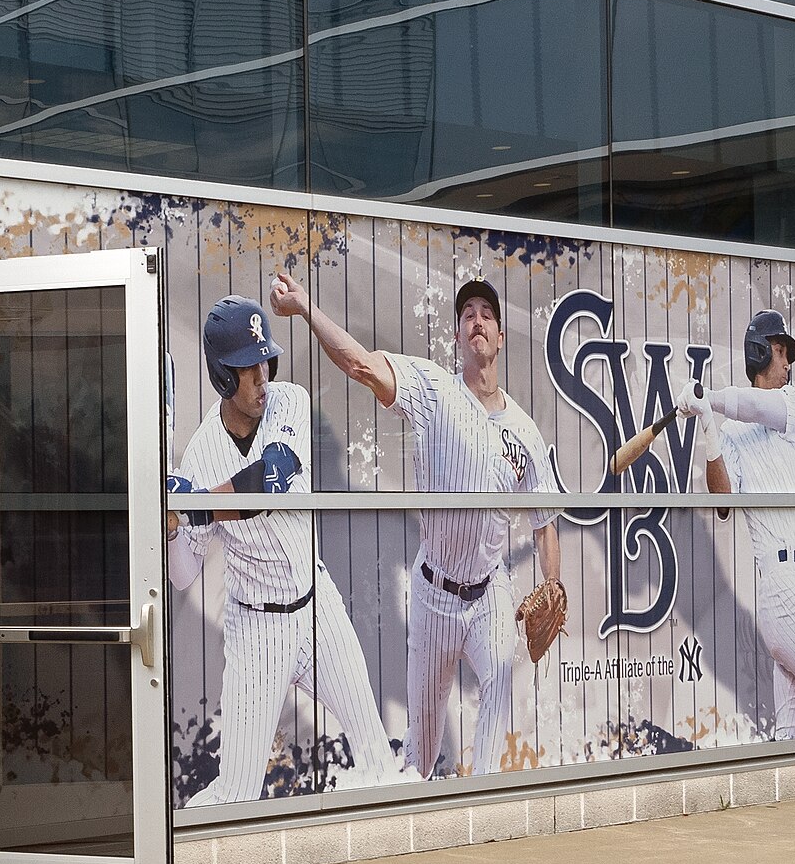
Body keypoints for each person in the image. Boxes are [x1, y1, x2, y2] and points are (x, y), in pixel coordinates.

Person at [274, 274, 566, 779]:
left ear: (499, 337)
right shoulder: (434, 390)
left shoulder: (525, 431)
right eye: (468, 313)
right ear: (457, 335)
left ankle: (486, 794)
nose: (478, 319)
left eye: (488, 314)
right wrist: (306, 309)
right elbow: (360, 364)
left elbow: (544, 523)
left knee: (499, 671)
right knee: (421, 756)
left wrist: (553, 582)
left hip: (488, 590)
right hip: (434, 596)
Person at [165, 292, 396, 804]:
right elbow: (183, 575)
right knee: (237, 794)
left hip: (317, 610)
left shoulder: (290, 401)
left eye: (264, 361)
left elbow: (269, 482)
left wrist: (189, 505)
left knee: (378, 757)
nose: (262, 376)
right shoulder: (202, 452)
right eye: (248, 368)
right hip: (255, 634)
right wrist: (171, 527)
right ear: (223, 376)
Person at [682, 309, 795, 738]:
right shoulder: (731, 432)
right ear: (762, 351)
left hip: (794, 585)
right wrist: (709, 425)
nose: (787, 364)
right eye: (781, 352)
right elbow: (723, 501)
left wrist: (709, 398)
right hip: (781, 585)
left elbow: (749, 406)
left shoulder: (790, 405)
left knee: (787, 740)